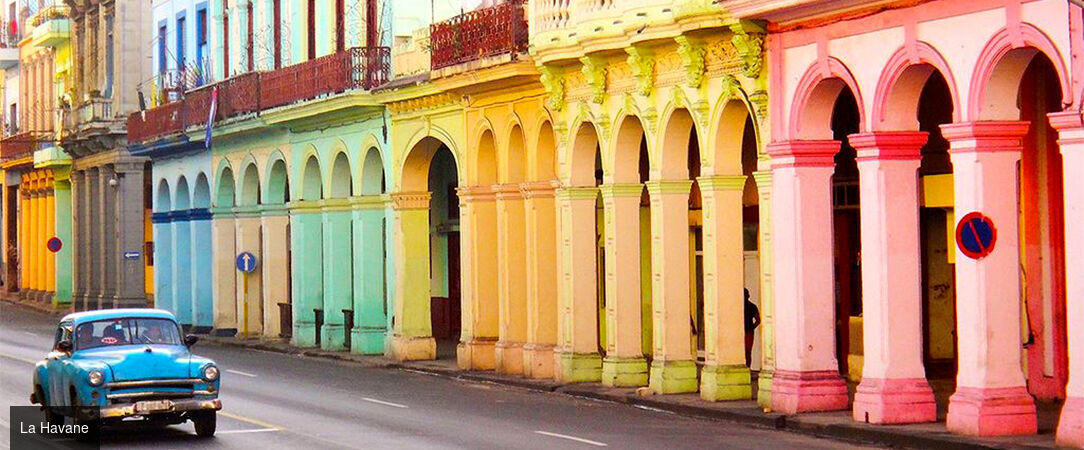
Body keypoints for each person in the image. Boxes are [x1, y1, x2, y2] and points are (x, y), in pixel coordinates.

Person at [744, 289, 760, 367]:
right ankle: (748, 367)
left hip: (747, 331)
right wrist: (752, 327)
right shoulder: (752, 306)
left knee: (747, 351)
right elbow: (758, 320)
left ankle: (747, 367)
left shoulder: (751, 306)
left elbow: (758, 320)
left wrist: (751, 328)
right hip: (748, 331)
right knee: (747, 351)